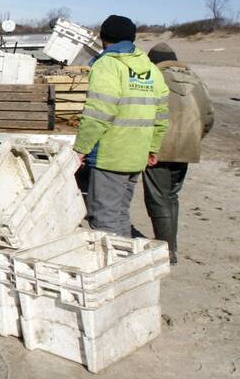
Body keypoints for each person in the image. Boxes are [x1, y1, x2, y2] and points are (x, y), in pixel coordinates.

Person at [73, 15, 169, 237]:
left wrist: (81, 149)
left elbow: (99, 112)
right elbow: (162, 115)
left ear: (103, 38)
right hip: (137, 156)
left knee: (103, 219)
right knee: (121, 214)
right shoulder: (151, 69)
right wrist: (153, 147)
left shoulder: (108, 65)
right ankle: (126, 259)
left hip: (111, 155)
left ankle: (111, 266)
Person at [142, 43, 213, 262]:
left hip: (159, 148)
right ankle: (172, 246)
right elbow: (209, 117)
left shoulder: (152, 78)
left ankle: (166, 250)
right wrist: (194, 139)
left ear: (153, 61)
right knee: (172, 196)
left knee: (157, 200)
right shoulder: (196, 80)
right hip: (187, 148)